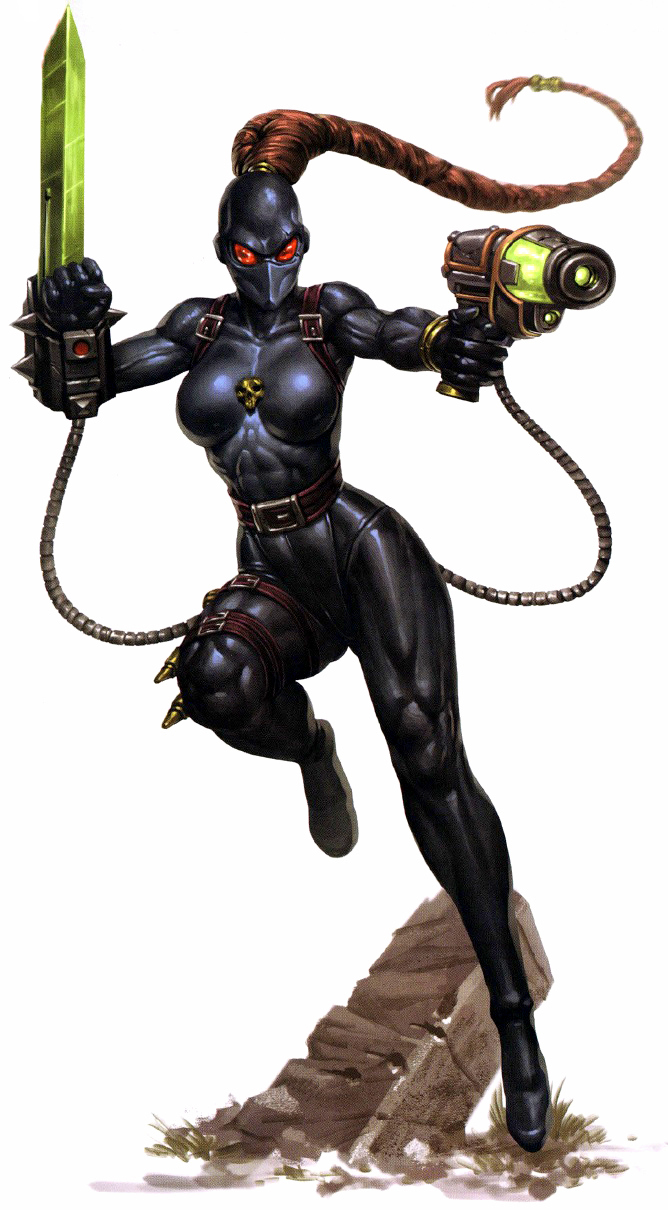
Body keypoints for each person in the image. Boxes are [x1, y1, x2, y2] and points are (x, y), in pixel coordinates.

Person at [35, 87, 642, 1154]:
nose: (270, 270)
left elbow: (410, 335)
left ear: (301, 243)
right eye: (249, 253)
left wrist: (462, 340)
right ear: (223, 250)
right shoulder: (197, 329)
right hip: (271, 567)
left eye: (285, 250)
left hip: (362, 551)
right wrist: (66, 325)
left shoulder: (329, 314)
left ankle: (511, 1015)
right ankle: (313, 749)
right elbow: (75, 390)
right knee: (216, 683)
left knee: (429, 758)